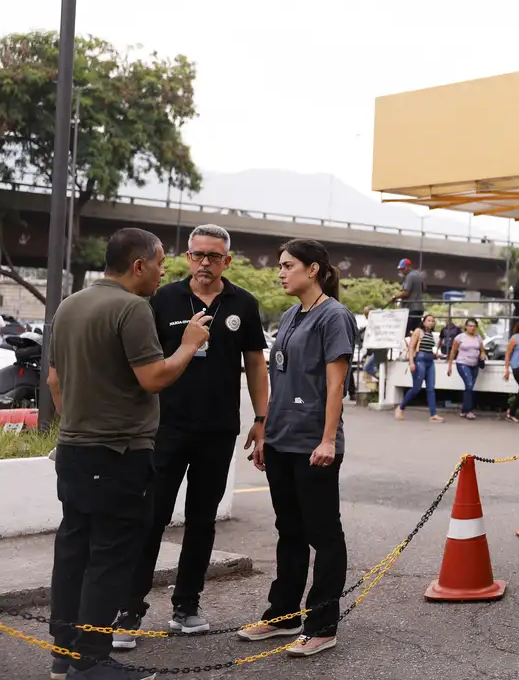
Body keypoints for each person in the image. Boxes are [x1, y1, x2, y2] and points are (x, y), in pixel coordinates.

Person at [46, 227, 211, 680]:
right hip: (119, 452)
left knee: (74, 547)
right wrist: (189, 344)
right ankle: (93, 660)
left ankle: (65, 652)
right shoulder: (132, 308)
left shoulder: (69, 305)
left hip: (75, 450)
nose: (163, 273)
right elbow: (154, 378)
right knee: (110, 554)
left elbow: (55, 382)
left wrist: (80, 421)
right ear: (139, 265)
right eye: (159, 264)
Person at [113, 225, 269, 650]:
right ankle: (128, 610)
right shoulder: (161, 299)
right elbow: (142, 362)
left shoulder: (243, 304)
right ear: (187, 257)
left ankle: (186, 605)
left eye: (214, 257)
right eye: (198, 254)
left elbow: (255, 364)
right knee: (151, 518)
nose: (205, 263)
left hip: (218, 431)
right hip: (165, 428)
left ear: (227, 262)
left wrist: (261, 417)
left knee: (202, 521)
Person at [237, 238, 357, 658]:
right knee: (289, 531)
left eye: (288, 265)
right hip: (282, 440)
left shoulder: (334, 316)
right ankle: (282, 616)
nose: (281, 272)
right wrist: (265, 431)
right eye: (280, 266)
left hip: (314, 444)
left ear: (314, 269)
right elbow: (280, 379)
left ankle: (322, 624)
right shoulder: (290, 315)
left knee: (323, 534)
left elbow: (335, 385)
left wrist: (327, 440)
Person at [394, 314, 443, 423]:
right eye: (429, 320)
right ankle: (401, 407)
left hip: (430, 360)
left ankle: (433, 414)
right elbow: (411, 347)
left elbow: (427, 347)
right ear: (424, 322)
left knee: (431, 388)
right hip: (419, 360)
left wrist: (435, 354)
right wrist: (411, 362)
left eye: (433, 321)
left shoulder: (430, 334)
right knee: (417, 387)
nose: (431, 322)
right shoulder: (418, 331)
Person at [447, 318, 486, 420]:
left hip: (475, 364)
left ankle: (464, 410)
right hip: (463, 363)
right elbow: (453, 352)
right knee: (469, 384)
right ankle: (469, 410)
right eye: (470, 326)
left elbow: (482, 350)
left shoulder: (478, 337)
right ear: (466, 327)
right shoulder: (460, 337)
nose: (472, 328)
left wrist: (482, 355)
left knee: (470, 387)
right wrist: (450, 366)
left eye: (474, 326)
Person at [388, 258, 426, 335]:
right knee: (416, 332)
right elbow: (424, 288)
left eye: (403, 269)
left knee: (404, 332)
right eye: (400, 269)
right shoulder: (418, 275)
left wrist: (394, 297)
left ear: (409, 266)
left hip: (411, 308)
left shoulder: (409, 276)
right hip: (419, 308)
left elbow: (406, 293)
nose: (401, 271)